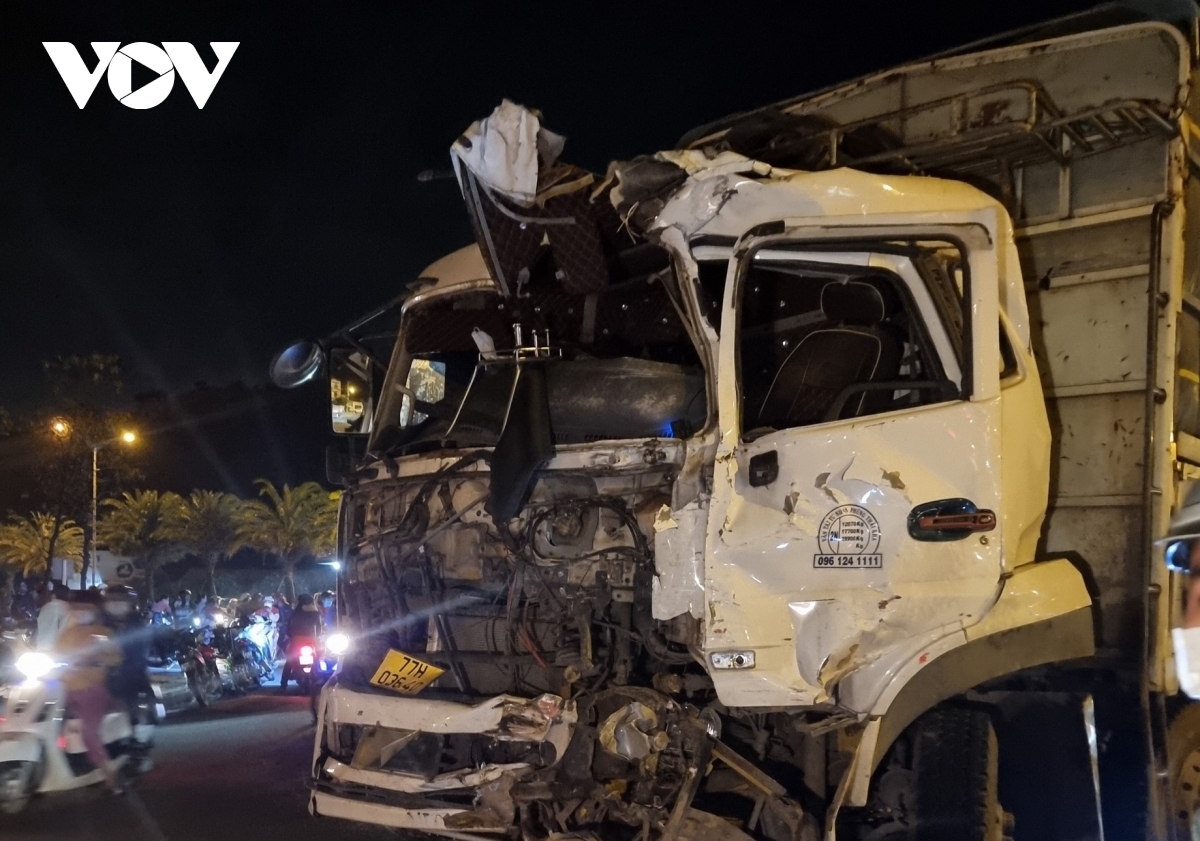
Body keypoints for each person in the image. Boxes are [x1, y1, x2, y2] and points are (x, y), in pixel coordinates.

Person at [57, 600, 124, 794]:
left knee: (88, 733)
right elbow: (55, 655)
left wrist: (96, 659)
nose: (79, 612)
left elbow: (115, 657)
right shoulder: (68, 634)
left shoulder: (101, 633)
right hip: (64, 689)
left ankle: (110, 777)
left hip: (92, 689)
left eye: (83, 608)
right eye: (76, 609)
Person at [100, 585, 156, 753]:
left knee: (139, 699)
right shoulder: (98, 623)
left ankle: (140, 735)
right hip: (102, 674)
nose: (115, 604)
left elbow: (140, 648)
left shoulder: (137, 623)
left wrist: (125, 663)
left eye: (120, 601)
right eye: (111, 600)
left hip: (132, 672)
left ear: (129, 603)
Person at [280, 593, 323, 690]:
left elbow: (288, 629)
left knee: (290, 661)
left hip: (296, 641)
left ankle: (283, 684)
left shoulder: (295, 613)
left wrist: (292, 637)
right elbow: (319, 629)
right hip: (312, 641)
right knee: (320, 657)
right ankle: (320, 677)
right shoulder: (316, 613)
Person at [36, 582, 72, 651]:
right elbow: (66, 631)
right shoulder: (65, 608)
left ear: (54, 595)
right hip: (55, 650)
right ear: (68, 595)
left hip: (40, 647)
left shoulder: (45, 607)